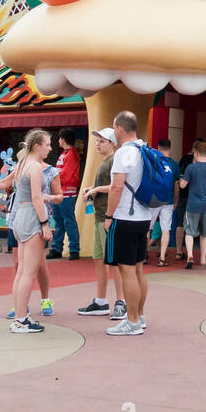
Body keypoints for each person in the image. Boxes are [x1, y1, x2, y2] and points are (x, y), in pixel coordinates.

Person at [0, 129, 63, 332]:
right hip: (31, 216)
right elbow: (37, 198)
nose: (50, 148)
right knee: (27, 273)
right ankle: (21, 319)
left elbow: (4, 183)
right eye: (47, 144)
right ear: (37, 145)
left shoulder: (21, 164)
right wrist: (45, 223)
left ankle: (21, 316)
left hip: (19, 216)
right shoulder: (36, 167)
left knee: (21, 271)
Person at [100, 111, 151, 335]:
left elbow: (117, 187)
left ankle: (131, 322)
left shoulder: (124, 154)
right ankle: (139, 316)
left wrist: (109, 216)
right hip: (143, 217)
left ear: (120, 128)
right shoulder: (145, 150)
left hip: (125, 217)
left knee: (126, 271)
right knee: (139, 270)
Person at [79, 128, 127, 319]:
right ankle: (101, 301)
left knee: (113, 262)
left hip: (109, 216)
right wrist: (94, 189)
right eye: (97, 141)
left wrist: (95, 189)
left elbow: (118, 186)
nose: (98, 144)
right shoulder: (106, 162)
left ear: (112, 143)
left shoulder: (115, 160)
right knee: (99, 259)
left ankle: (121, 302)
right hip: (100, 216)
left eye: (102, 141)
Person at [179, 141, 206, 269]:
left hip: (193, 205)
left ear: (195, 153)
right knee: (204, 234)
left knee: (190, 231)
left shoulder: (191, 167)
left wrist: (180, 179)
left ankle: (190, 255)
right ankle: (203, 260)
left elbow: (182, 185)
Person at [47, 129, 83, 259]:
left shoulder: (71, 154)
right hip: (61, 192)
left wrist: (52, 178)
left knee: (67, 221)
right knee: (60, 221)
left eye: (59, 138)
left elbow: (66, 176)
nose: (58, 140)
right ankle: (58, 248)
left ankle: (73, 249)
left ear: (63, 139)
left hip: (66, 193)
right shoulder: (67, 153)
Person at [151, 138, 180, 264]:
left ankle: (143, 255)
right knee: (165, 229)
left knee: (148, 227)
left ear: (158, 148)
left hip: (153, 199)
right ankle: (162, 258)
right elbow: (177, 185)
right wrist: (176, 199)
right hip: (167, 201)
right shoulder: (174, 165)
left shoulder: (153, 162)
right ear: (170, 148)